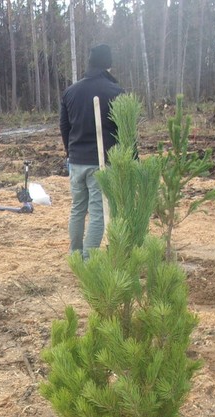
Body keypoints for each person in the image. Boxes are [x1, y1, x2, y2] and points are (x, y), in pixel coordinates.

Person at [59, 44, 123, 259]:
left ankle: (75, 254)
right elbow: (125, 130)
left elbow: (64, 127)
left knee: (78, 208)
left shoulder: (71, 91)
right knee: (97, 211)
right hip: (100, 162)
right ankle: (87, 260)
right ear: (108, 65)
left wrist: (71, 152)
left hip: (76, 161)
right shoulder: (116, 92)